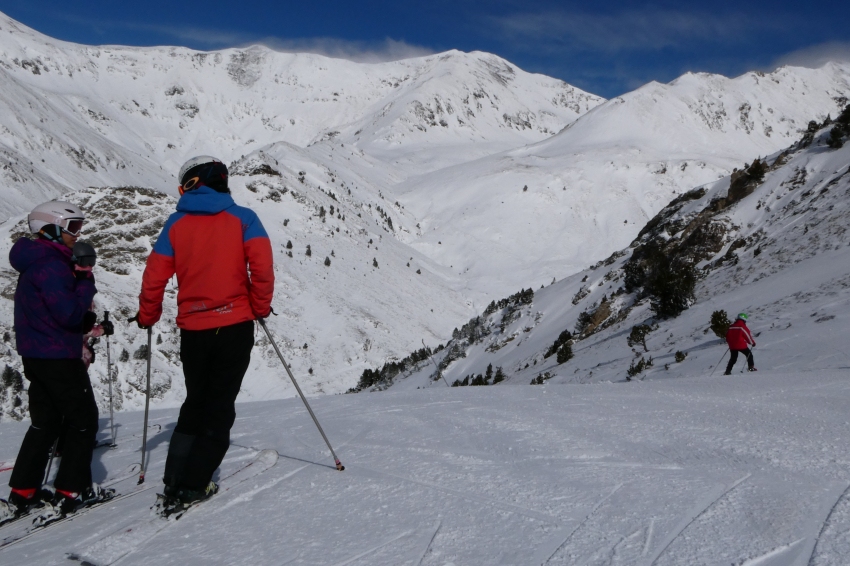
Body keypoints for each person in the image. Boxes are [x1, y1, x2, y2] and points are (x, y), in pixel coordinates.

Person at [135, 156, 274, 514]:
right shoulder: (245, 219)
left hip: (194, 331)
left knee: (196, 402)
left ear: (193, 185)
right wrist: (259, 306)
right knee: (219, 407)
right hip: (235, 327)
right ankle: (195, 484)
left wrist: (148, 314)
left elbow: (154, 277)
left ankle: (175, 476)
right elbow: (261, 267)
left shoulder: (176, 224)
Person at [0, 202, 113, 525]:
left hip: (36, 354)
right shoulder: (51, 266)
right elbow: (69, 314)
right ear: (50, 228)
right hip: (58, 356)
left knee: (45, 423)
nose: (78, 235)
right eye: (73, 228)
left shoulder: (35, 261)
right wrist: (85, 278)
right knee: (83, 421)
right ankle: (70, 492)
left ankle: (23, 491)